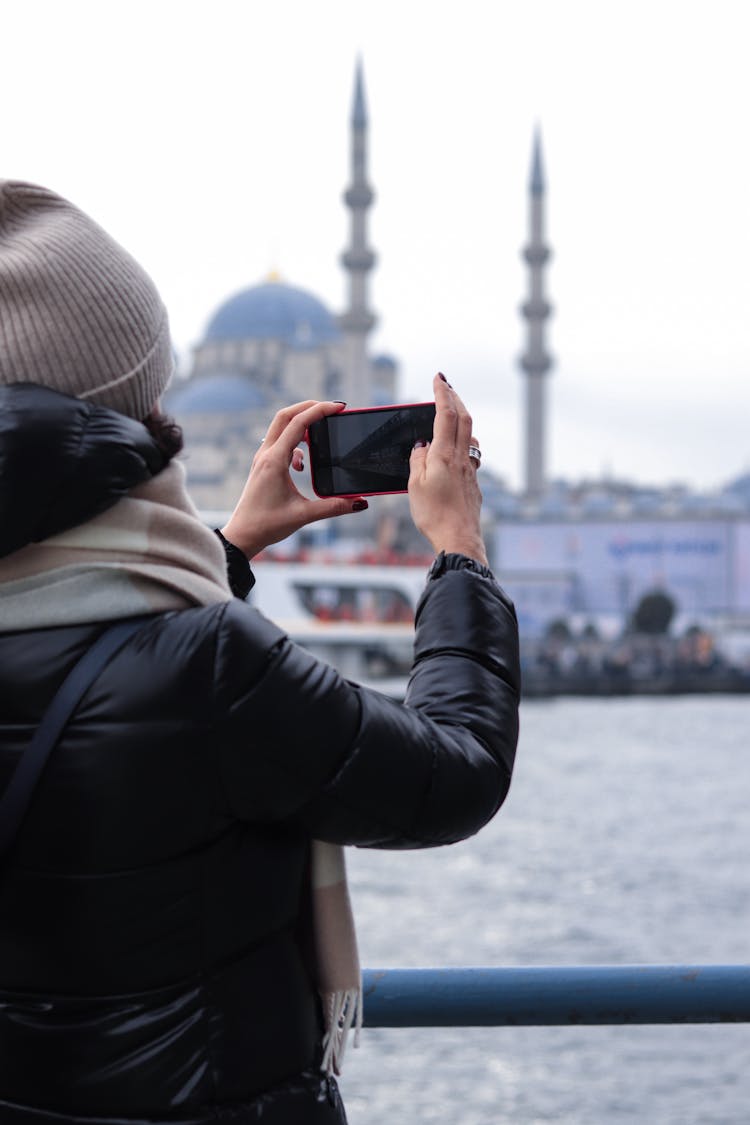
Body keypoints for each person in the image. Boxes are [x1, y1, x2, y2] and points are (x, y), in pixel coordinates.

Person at [0, 181, 520, 1125]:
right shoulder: (208, 666)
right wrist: (458, 556)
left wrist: (225, 551)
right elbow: (455, 775)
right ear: (134, 400)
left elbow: (95, 662)